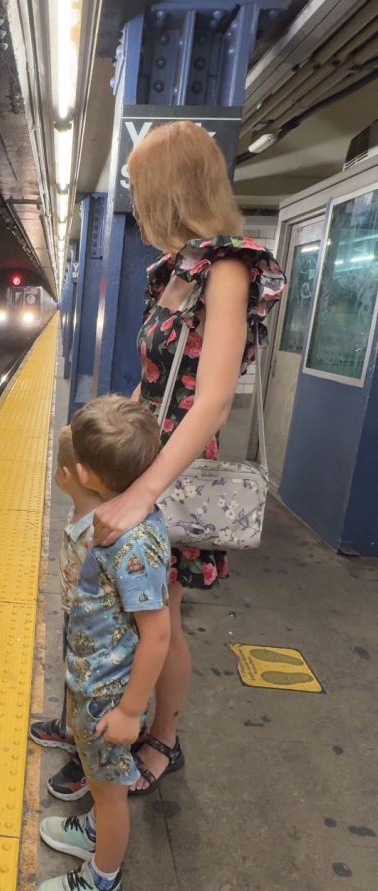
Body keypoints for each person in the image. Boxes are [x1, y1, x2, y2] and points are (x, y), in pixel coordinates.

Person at [91, 120, 285, 795]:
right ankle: (105, 716)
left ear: (169, 188)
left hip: (173, 467)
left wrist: (142, 492)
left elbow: (211, 400)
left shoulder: (227, 266)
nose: (135, 197)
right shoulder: (176, 267)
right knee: (130, 607)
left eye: (141, 184)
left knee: (158, 614)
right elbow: (156, 378)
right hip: (144, 454)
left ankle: (160, 742)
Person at [37, 396, 171, 891]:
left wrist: (132, 711)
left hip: (112, 699)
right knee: (99, 781)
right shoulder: (117, 521)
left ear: (87, 474)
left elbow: (157, 636)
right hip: (94, 686)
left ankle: (103, 881)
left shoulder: (132, 545)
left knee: (110, 791)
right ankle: (93, 827)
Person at [29, 426, 100, 801]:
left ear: (67, 476)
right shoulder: (85, 512)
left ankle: (85, 762)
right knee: (71, 679)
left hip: (96, 632)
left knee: (89, 692)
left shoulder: (102, 529)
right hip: (76, 620)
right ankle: (69, 728)